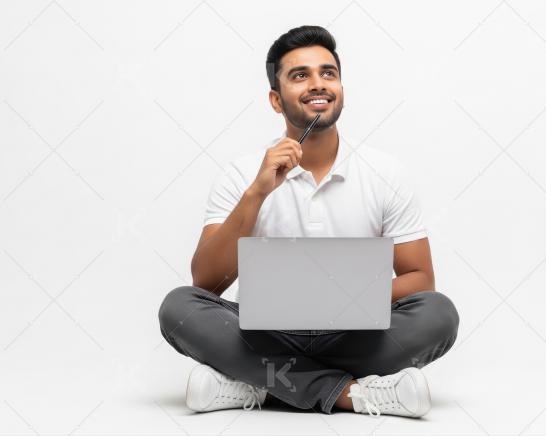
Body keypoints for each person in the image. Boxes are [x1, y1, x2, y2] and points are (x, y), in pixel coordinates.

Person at [158, 25, 459, 418]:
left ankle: (259, 385)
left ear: (341, 90)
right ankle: (353, 394)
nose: (318, 84)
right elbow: (207, 283)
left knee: (439, 313)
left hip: (355, 334)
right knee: (177, 308)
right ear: (276, 99)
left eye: (328, 73)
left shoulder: (386, 173)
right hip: (266, 334)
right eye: (300, 76)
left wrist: (342, 298)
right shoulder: (242, 174)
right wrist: (258, 193)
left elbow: (421, 279)